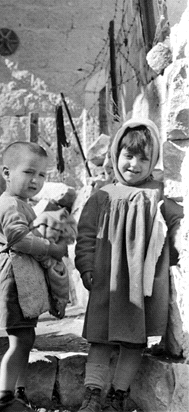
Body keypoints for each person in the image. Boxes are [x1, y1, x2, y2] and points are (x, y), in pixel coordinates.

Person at [75, 118, 183, 412]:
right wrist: (86, 267)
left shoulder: (158, 195)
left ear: (154, 162)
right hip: (107, 281)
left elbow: (178, 225)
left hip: (139, 283)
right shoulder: (102, 196)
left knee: (134, 341)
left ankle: (118, 396)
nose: (134, 164)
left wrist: (170, 257)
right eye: (128, 155)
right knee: (99, 339)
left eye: (143, 158)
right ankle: (92, 394)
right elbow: (85, 235)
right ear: (115, 155)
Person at [0, 141, 69, 412]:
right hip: (12, 282)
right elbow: (20, 239)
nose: (36, 180)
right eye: (28, 172)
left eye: (42, 175)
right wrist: (52, 249)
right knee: (20, 340)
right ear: (7, 173)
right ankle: (3, 398)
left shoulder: (21, 203)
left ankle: (17, 394)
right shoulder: (10, 204)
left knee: (26, 338)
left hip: (21, 282)